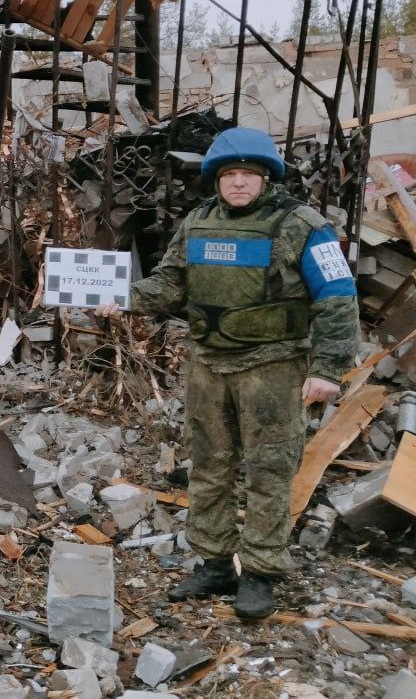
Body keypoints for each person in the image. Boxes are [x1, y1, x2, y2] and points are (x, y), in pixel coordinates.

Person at [93, 127, 360, 620]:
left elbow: (338, 298)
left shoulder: (303, 225)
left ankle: (260, 572)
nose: (238, 183)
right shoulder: (198, 223)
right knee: (209, 465)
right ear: (216, 180)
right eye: (229, 175)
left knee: (269, 469)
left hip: (273, 367)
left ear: (266, 178)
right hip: (209, 365)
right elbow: (169, 284)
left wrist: (327, 368)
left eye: (248, 175)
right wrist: (124, 300)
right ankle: (215, 563)